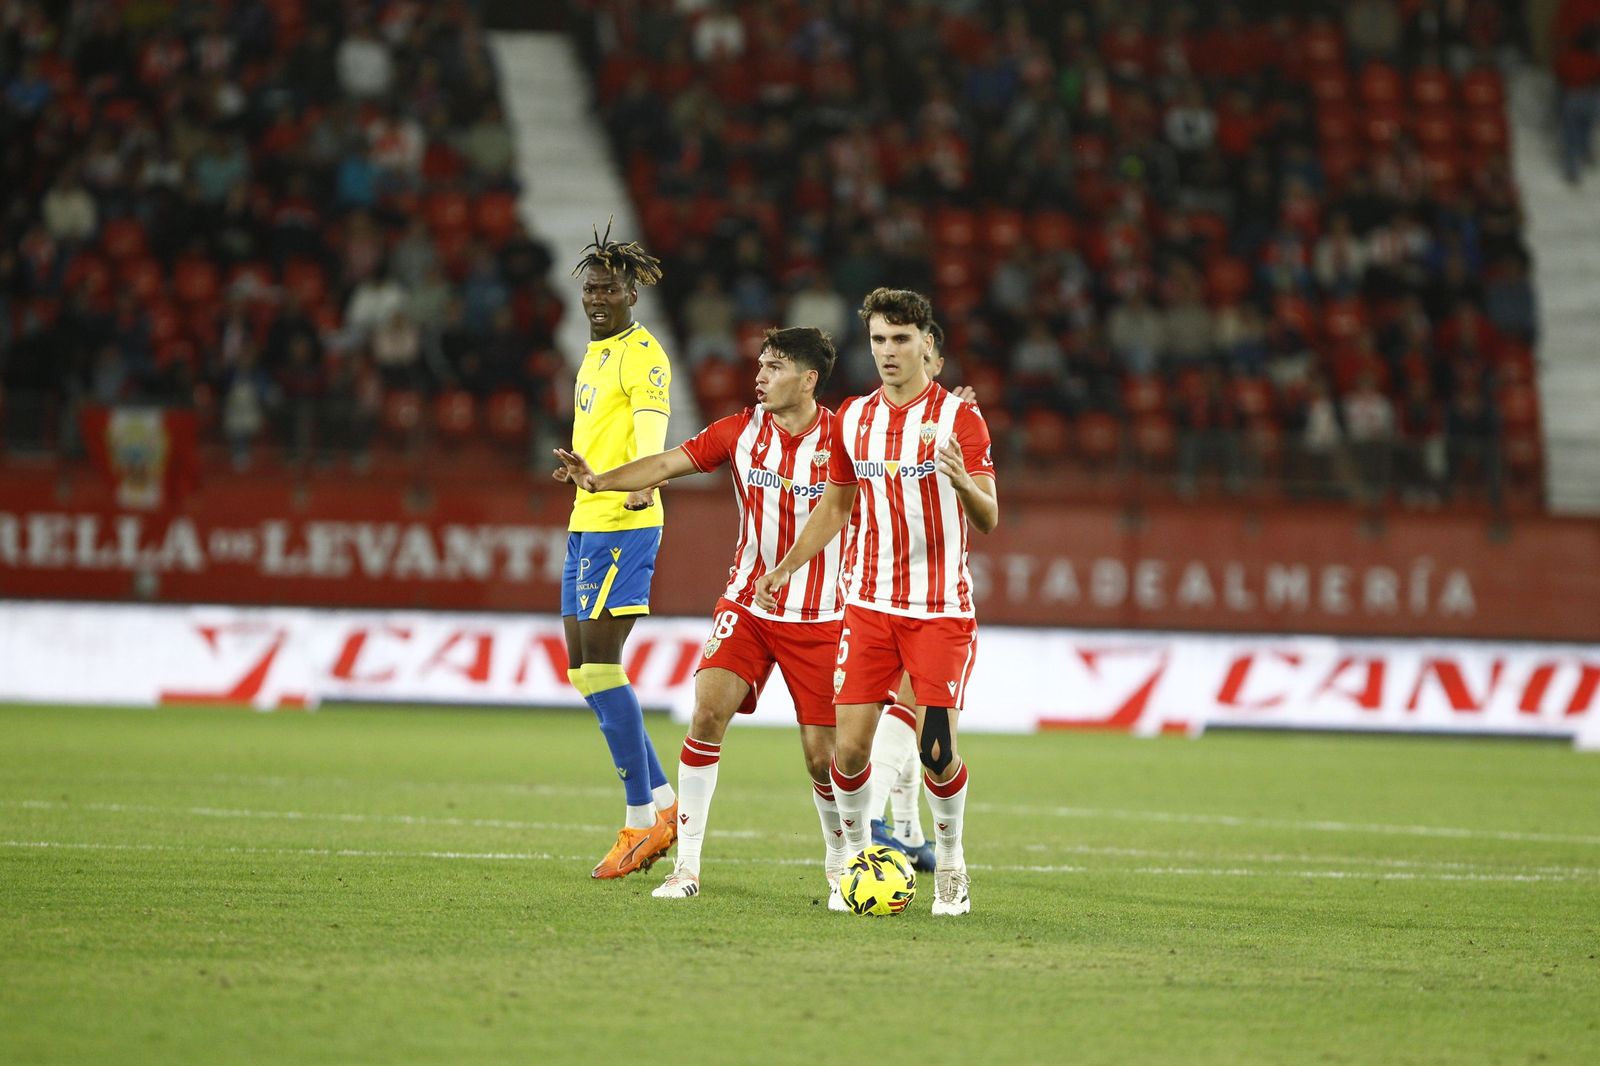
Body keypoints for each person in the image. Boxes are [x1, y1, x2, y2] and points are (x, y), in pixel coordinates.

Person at [554, 328, 854, 907]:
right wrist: (600, 480)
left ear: (809, 379)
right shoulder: (741, 431)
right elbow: (670, 460)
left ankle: (840, 863)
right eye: (759, 365)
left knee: (823, 756)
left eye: (775, 366)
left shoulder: (846, 436)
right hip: (746, 604)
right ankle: (686, 867)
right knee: (707, 712)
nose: (760, 375)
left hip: (822, 615)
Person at [756, 288, 999, 916]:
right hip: (867, 606)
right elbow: (836, 506)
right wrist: (786, 565)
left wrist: (963, 482)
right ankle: (858, 868)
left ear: (926, 345)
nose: (887, 352)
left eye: (899, 339)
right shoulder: (854, 420)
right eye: (877, 341)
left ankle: (951, 866)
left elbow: (990, 516)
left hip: (940, 608)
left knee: (936, 752)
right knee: (850, 753)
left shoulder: (959, 421)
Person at [555, 222, 678, 880]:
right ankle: (663, 807)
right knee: (581, 668)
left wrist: (647, 479)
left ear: (633, 294)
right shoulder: (595, 353)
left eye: (609, 289)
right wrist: (584, 470)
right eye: (591, 289)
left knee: (603, 666)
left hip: (623, 523)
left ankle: (640, 821)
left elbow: (654, 427)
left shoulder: (643, 354)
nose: (597, 299)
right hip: (585, 514)